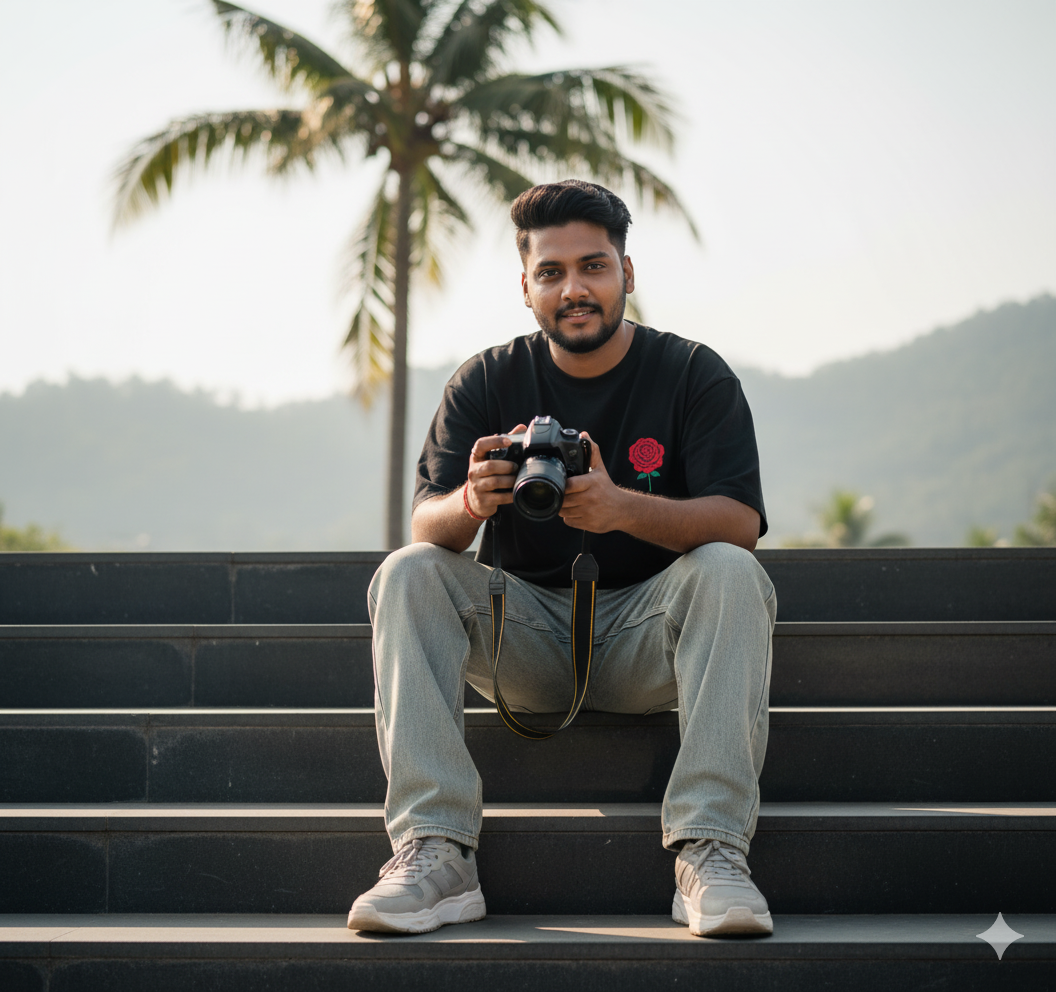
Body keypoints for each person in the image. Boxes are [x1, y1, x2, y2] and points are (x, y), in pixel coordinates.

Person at [348, 180, 776, 938]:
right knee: (407, 572)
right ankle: (436, 851)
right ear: (526, 287)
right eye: (551, 272)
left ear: (626, 273)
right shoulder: (485, 380)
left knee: (732, 572)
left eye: (593, 266)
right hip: (525, 639)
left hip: (653, 639)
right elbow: (427, 525)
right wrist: (473, 500)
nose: (573, 288)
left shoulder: (691, 373)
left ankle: (711, 850)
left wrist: (620, 508)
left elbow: (739, 523)